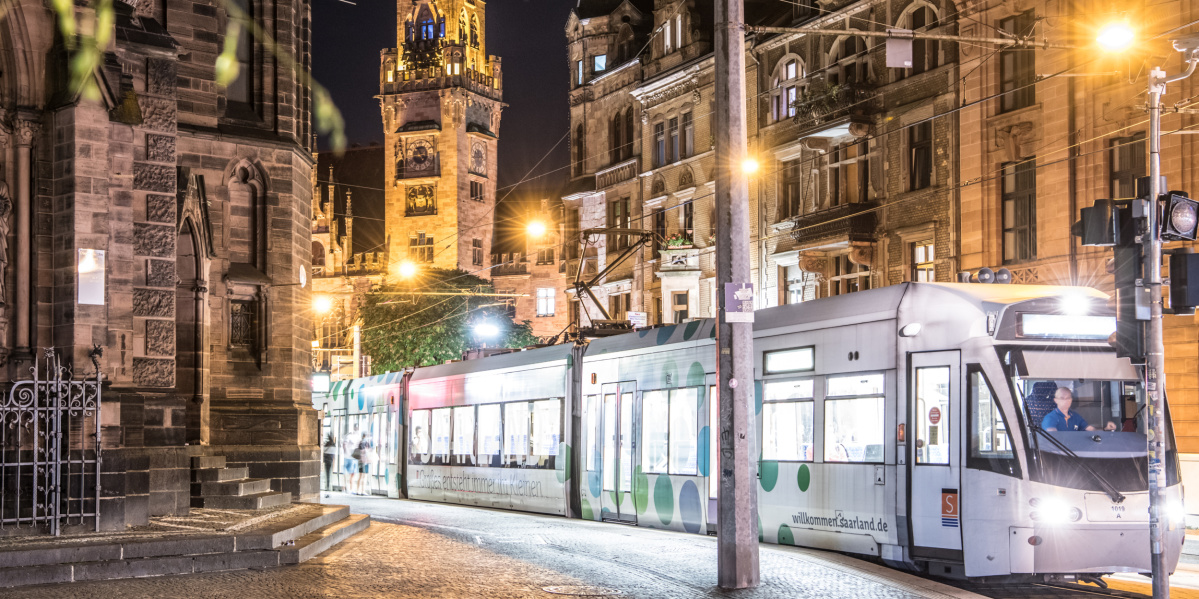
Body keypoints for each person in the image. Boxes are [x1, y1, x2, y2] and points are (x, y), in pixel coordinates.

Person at [1041, 387, 1117, 432]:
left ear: (1071, 400)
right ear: (1055, 400)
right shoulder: (1050, 418)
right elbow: (1053, 439)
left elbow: (1091, 431)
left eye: (1068, 398)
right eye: (1062, 398)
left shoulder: (1076, 417)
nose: (1065, 401)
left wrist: (1106, 428)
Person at [341, 425, 362, 493]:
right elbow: (344, 444)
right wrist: (347, 453)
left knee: (351, 474)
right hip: (350, 458)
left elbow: (344, 444)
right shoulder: (351, 436)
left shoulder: (356, 436)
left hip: (352, 457)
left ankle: (349, 488)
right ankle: (349, 488)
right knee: (350, 474)